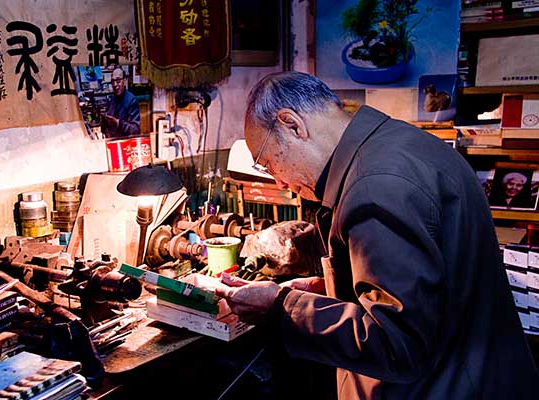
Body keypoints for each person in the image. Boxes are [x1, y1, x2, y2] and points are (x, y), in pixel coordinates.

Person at [215, 72, 538, 399]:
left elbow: (397, 343)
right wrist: (332, 287)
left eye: (268, 163)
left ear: (292, 124)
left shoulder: (376, 186)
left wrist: (281, 307)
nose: (280, 183)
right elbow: (428, 284)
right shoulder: (396, 142)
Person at [101, 67, 140, 138]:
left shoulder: (131, 100)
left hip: (127, 143)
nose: (115, 84)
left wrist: (118, 123)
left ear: (125, 80)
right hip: (112, 141)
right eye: (112, 81)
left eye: (118, 80)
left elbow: (135, 130)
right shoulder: (112, 99)